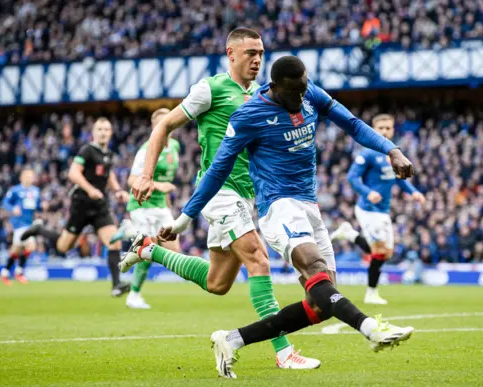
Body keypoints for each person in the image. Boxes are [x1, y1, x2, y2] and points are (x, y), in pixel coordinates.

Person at [130, 55, 417, 379]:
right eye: (293, 93)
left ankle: (232, 339)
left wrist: (391, 149)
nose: (299, 98)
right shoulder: (250, 114)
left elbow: (350, 123)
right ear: (276, 87)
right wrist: (184, 219)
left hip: (308, 205)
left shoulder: (309, 94)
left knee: (319, 303)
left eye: (303, 90)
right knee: (306, 268)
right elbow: (217, 168)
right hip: (277, 206)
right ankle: (369, 328)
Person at [121, 28, 319, 369]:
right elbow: (163, 126)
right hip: (219, 192)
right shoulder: (209, 89)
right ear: (231, 54)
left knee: (218, 283)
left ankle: (147, 250)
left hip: (247, 194)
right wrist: (145, 174)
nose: (257, 59)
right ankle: (284, 353)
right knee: (258, 258)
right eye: (249, 53)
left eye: (260, 52)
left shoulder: (263, 94)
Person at [21, 117, 131, 296]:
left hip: (100, 206)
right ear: (94, 132)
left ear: (111, 133)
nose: (103, 132)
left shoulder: (109, 154)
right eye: (100, 129)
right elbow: (73, 173)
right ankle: (39, 229)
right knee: (63, 247)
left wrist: (118, 190)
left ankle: (116, 285)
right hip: (81, 204)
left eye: (106, 130)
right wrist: (90, 189)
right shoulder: (87, 150)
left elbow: (108, 175)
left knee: (114, 241)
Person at [330, 113, 425, 304]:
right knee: (380, 251)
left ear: (393, 130)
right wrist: (367, 192)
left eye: (388, 128)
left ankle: (350, 235)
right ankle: (371, 293)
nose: (384, 131)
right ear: (373, 130)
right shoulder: (367, 153)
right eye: (380, 128)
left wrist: (413, 191)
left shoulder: (393, 154)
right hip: (368, 208)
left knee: (386, 253)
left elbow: (399, 178)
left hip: (382, 210)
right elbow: (352, 177)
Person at [110, 108, 180, 309]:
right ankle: (134, 295)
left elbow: (166, 179)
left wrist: (167, 203)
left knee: (173, 250)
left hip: (160, 206)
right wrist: (159, 186)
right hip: (141, 206)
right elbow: (132, 179)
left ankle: (128, 232)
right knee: (148, 249)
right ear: (153, 126)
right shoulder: (147, 148)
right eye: (159, 123)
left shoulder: (174, 146)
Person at [0, 167, 44, 286]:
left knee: (16, 251)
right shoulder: (15, 190)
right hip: (19, 224)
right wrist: (12, 208)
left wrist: (43, 206)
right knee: (31, 246)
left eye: (32, 176)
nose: (30, 178)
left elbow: (38, 206)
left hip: (29, 223)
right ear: (21, 178)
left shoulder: (36, 191)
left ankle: (4, 272)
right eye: (28, 176)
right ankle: (19, 272)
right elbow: (5, 203)